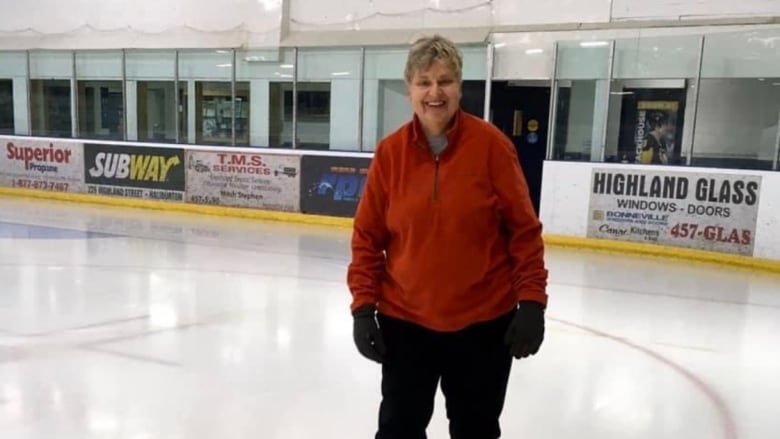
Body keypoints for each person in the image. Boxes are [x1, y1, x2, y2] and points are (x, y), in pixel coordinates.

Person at [347, 34, 549, 439]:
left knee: (475, 429)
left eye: (444, 81)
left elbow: (523, 233)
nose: (434, 92)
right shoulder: (391, 153)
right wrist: (363, 307)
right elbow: (368, 237)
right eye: (424, 82)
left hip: (483, 325)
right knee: (398, 429)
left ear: (459, 87)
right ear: (410, 90)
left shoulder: (493, 148)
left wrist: (531, 303)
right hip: (406, 323)